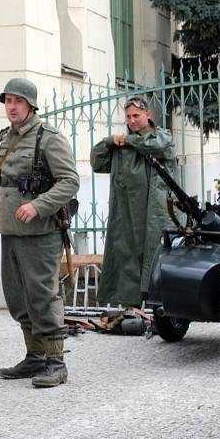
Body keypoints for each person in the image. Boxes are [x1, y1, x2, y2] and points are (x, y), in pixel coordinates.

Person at [0, 78, 79, 388]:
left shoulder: (49, 138)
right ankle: (35, 356)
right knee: (17, 296)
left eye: (18, 101)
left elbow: (69, 181)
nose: (12, 106)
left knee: (42, 294)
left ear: (31, 105)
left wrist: (39, 205)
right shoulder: (3, 139)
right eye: (8, 101)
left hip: (41, 232)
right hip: (10, 231)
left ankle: (56, 362)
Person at [90, 95, 175, 308]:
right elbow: (97, 161)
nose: (132, 121)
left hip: (156, 213)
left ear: (148, 115)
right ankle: (133, 307)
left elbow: (158, 147)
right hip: (128, 213)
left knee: (157, 257)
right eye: (128, 117)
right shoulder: (121, 148)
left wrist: (127, 140)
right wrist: (110, 141)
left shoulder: (161, 137)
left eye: (136, 115)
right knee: (128, 257)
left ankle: (161, 308)